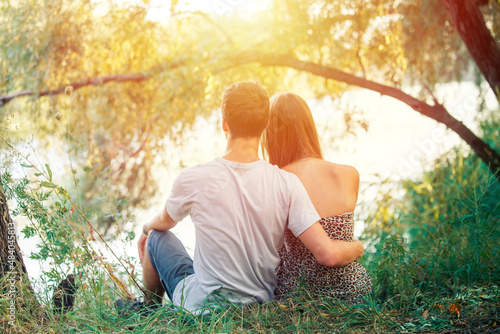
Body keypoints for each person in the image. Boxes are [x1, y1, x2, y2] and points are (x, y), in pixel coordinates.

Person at [137, 82, 364, 315]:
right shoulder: (286, 183)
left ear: (224, 124)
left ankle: (148, 308)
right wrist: (357, 247)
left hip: (204, 308)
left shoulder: (192, 178)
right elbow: (326, 251)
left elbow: (164, 221)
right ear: (265, 125)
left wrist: (146, 230)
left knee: (157, 237)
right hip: (259, 304)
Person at [262, 92, 371, 304]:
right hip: (353, 289)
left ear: (272, 134)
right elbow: (342, 239)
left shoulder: (277, 180)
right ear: (308, 126)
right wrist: (357, 247)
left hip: (298, 294)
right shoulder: (349, 174)